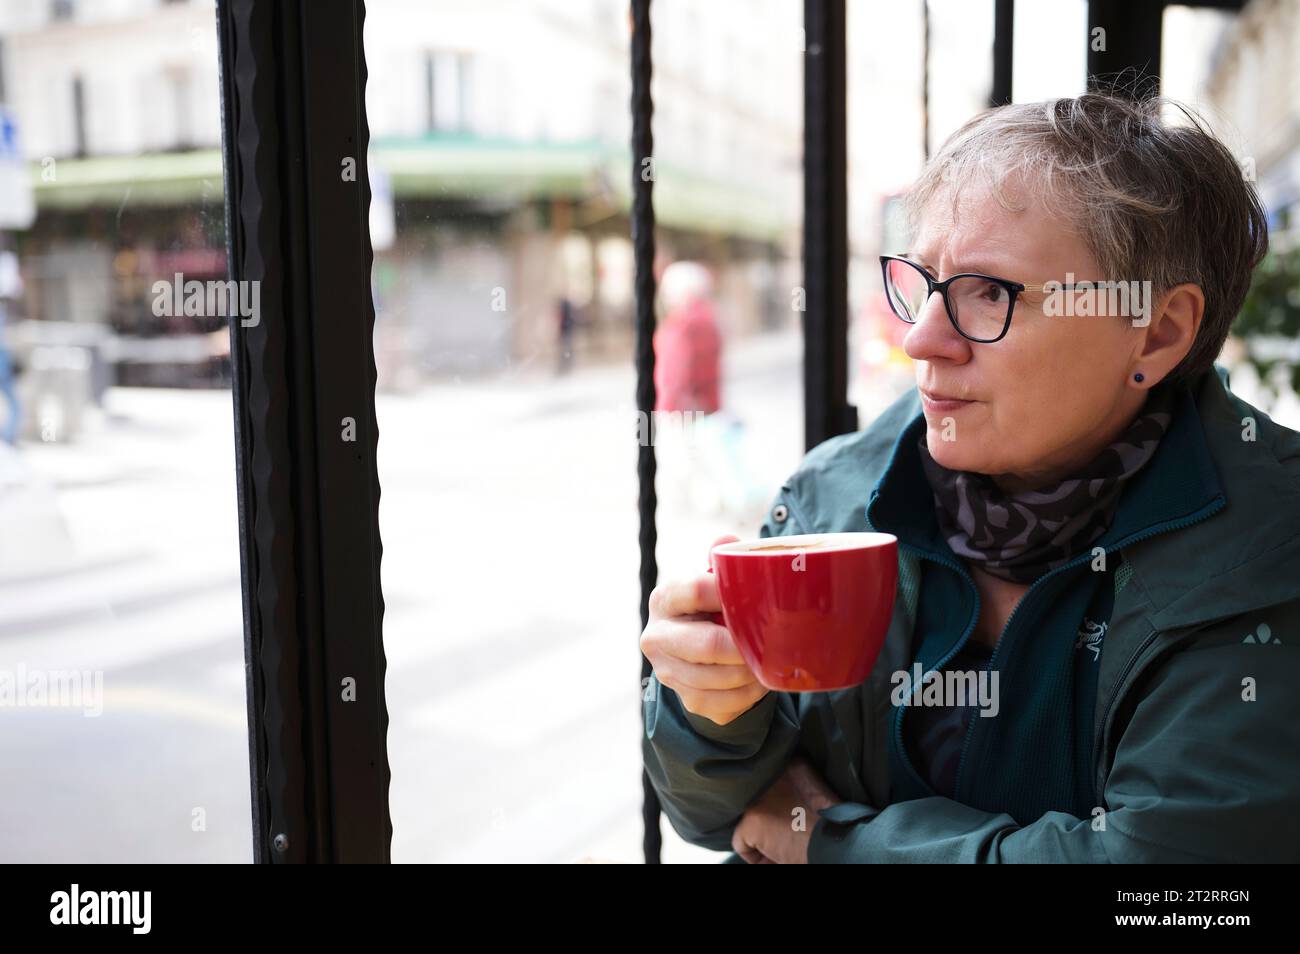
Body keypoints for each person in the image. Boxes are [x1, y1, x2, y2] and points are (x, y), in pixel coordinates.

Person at [641, 93, 1300, 863]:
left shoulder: (1267, 544)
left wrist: (829, 840)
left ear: (1155, 331)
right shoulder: (840, 493)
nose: (922, 339)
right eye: (922, 280)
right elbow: (719, 815)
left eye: (990, 292)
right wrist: (707, 709)